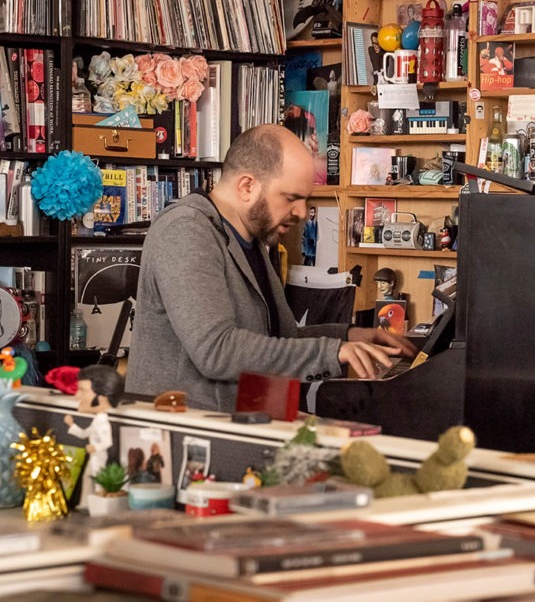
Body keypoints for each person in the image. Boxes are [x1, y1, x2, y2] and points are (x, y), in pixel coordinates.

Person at [128, 124, 416, 411]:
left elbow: (277, 339)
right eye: (291, 198)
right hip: (184, 438)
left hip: (241, 426)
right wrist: (333, 352)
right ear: (247, 186)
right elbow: (217, 350)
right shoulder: (186, 231)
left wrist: (351, 336)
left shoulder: (250, 238)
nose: (302, 213)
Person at [63, 364, 123, 506]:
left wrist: (95, 448)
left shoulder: (102, 422)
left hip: (99, 457)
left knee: (97, 482)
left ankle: (93, 506)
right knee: (88, 478)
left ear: (101, 398)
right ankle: (85, 505)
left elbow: (106, 442)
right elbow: (85, 433)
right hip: (94, 457)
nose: (77, 396)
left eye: (83, 391)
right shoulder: (98, 420)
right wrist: (71, 425)